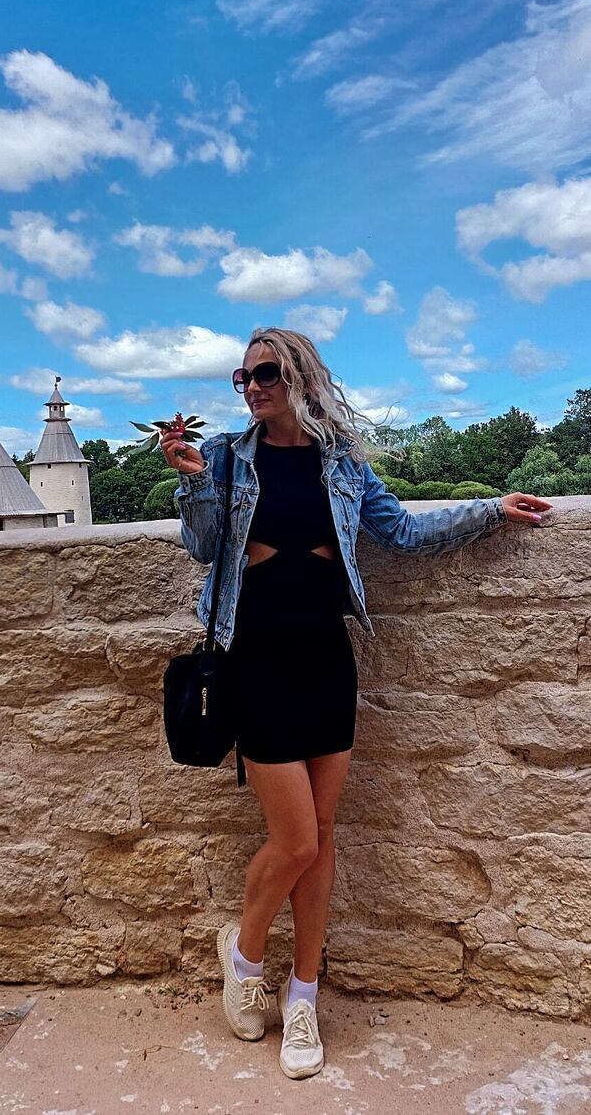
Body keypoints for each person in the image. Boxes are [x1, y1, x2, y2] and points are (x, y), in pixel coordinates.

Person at [161, 326, 552, 1082]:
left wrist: (490, 511)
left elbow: (399, 531)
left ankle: (304, 994)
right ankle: (246, 957)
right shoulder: (226, 457)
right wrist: (193, 482)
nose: (252, 387)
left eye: (266, 373)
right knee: (296, 838)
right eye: (243, 377)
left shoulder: (340, 461)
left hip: (325, 656)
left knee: (323, 832)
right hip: (255, 656)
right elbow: (204, 547)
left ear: (300, 376)